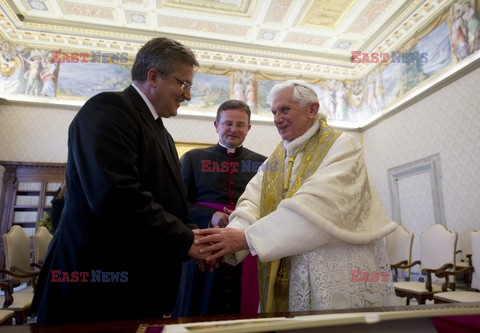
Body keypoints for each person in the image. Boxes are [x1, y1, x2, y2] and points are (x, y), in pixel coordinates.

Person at [32, 37, 211, 323]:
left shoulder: (160, 131)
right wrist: (186, 239)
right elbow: (115, 196)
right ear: (153, 76)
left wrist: (196, 236)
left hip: (135, 291)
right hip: (96, 292)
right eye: (183, 84)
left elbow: (169, 202)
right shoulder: (110, 109)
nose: (186, 95)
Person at [196, 80, 398, 312]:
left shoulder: (342, 145)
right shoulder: (277, 157)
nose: (277, 119)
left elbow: (317, 206)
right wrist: (228, 238)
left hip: (333, 269)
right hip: (286, 265)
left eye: (284, 110)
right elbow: (253, 200)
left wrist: (246, 239)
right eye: (274, 112)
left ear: (312, 109)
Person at [173, 100, 266, 317]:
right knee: (202, 305)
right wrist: (210, 215)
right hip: (203, 242)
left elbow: (268, 204)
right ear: (216, 125)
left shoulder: (262, 163)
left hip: (245, 244)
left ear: (249, 128)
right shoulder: (193, 159)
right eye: (228, 123)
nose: (234, 129)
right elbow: (177, 203)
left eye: (240, 124)